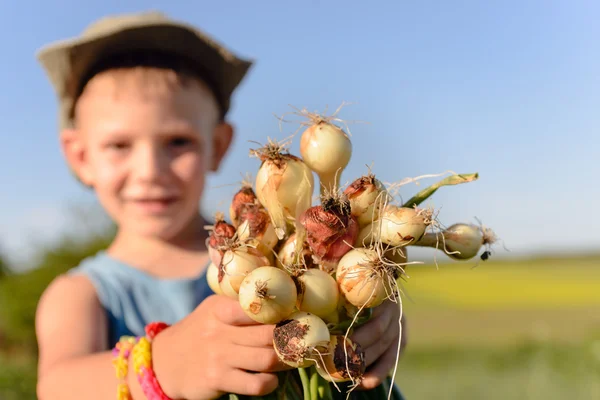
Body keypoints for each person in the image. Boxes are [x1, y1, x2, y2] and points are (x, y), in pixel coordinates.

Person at [34, 11, 407, 400]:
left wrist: (375, 319)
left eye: (178, 142)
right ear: (79, 156)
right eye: (118, 145)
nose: (149, 171)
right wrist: (163, 365)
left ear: (219, 145)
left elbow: (343, 295)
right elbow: (57, 386)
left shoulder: (279, 251)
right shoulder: (80, 294)